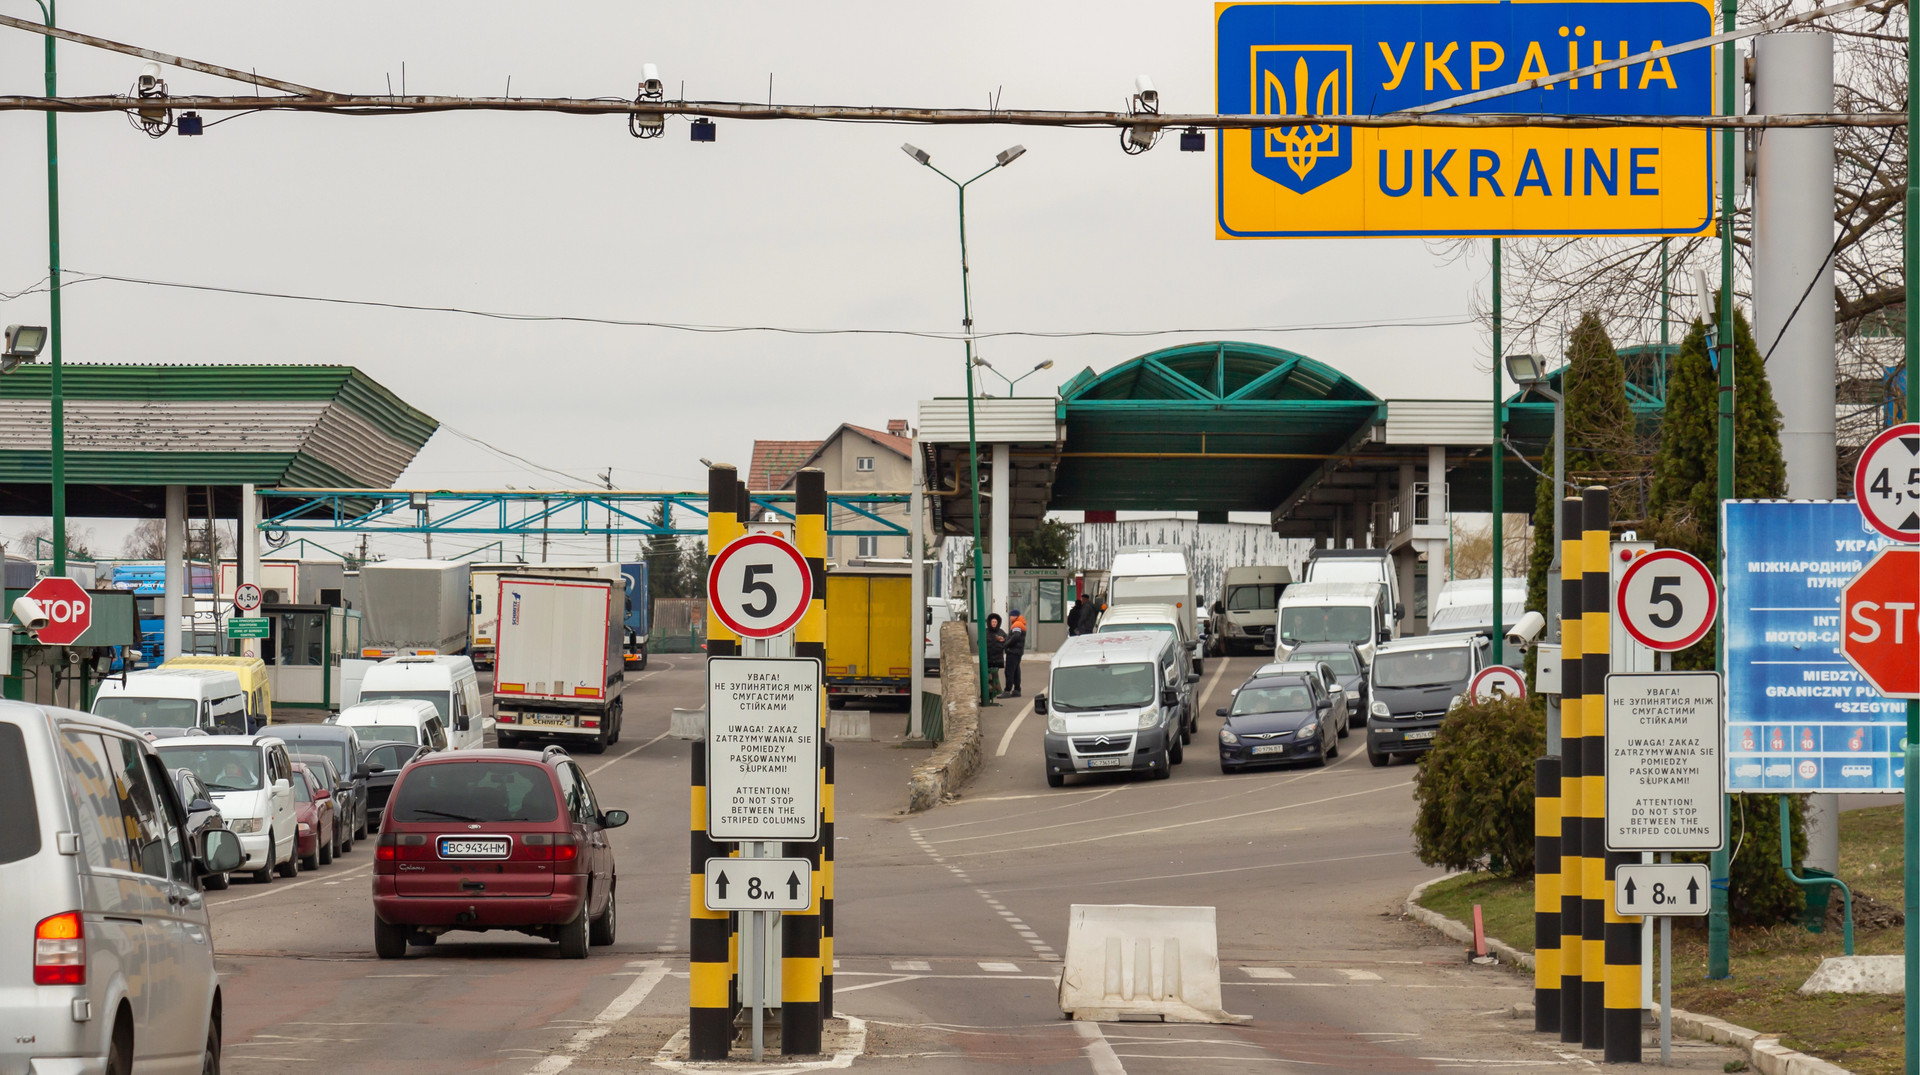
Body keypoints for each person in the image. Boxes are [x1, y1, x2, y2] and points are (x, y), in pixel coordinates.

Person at [984, 613, 1007, 702]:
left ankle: (994, 692)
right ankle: (988, 692)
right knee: (987, 677)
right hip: (988, 658)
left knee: (994, 676)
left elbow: (1007, 641)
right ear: (990, 622)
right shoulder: (985, 632)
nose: (994, 623)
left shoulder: (1001, 632)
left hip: (997, 659)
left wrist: (1003, 640)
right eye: (992, 622)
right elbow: (980, 642)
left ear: (998, 623)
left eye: (995, 622)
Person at [1005, 608, 1028, 696]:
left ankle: (1007, 690)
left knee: (1009, 671)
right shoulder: (1020, 624)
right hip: (1018, 651)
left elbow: (1016, 636)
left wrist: (1006, 644)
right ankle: (1017, 690)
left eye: (1011, 616)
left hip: (1013, 651)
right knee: (1016, 671)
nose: (1010, 618)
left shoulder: (1017, 624)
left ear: (1015, 616)